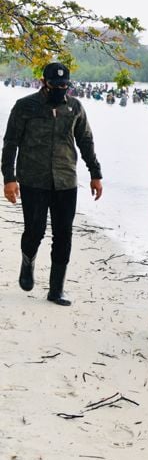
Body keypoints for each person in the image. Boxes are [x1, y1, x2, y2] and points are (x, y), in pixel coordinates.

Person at [2, 62, 103, 306]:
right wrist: (9, 178)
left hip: (65, 180)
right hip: (33, 179)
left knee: (63, 235)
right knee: (34, 231)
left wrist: (95, 173)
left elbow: (86, 141)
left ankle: (56, 289)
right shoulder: (26, 106)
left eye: (64, 85)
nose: (60, 88)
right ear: (43, 82)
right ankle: (28, 263)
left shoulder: (75, 107)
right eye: (55, 84)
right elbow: (11, 142)